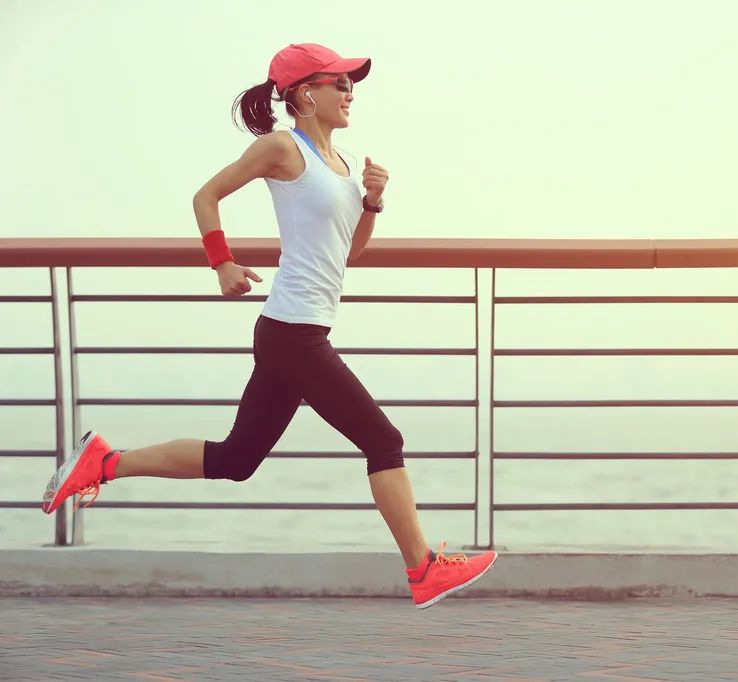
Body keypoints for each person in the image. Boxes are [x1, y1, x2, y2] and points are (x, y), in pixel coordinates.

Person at [41, 42, 497, 609]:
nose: (350, 92)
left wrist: (373, 202)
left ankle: (105, 463)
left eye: (352, 84)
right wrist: (222, 263)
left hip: (299, 331)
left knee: (235, 460)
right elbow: (206, 196)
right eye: (339, 83)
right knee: (384, 441)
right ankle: (422, 569)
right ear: (305, 93)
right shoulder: (282, 147)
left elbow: (349, 253)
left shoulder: (342, 163)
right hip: (293, 334)